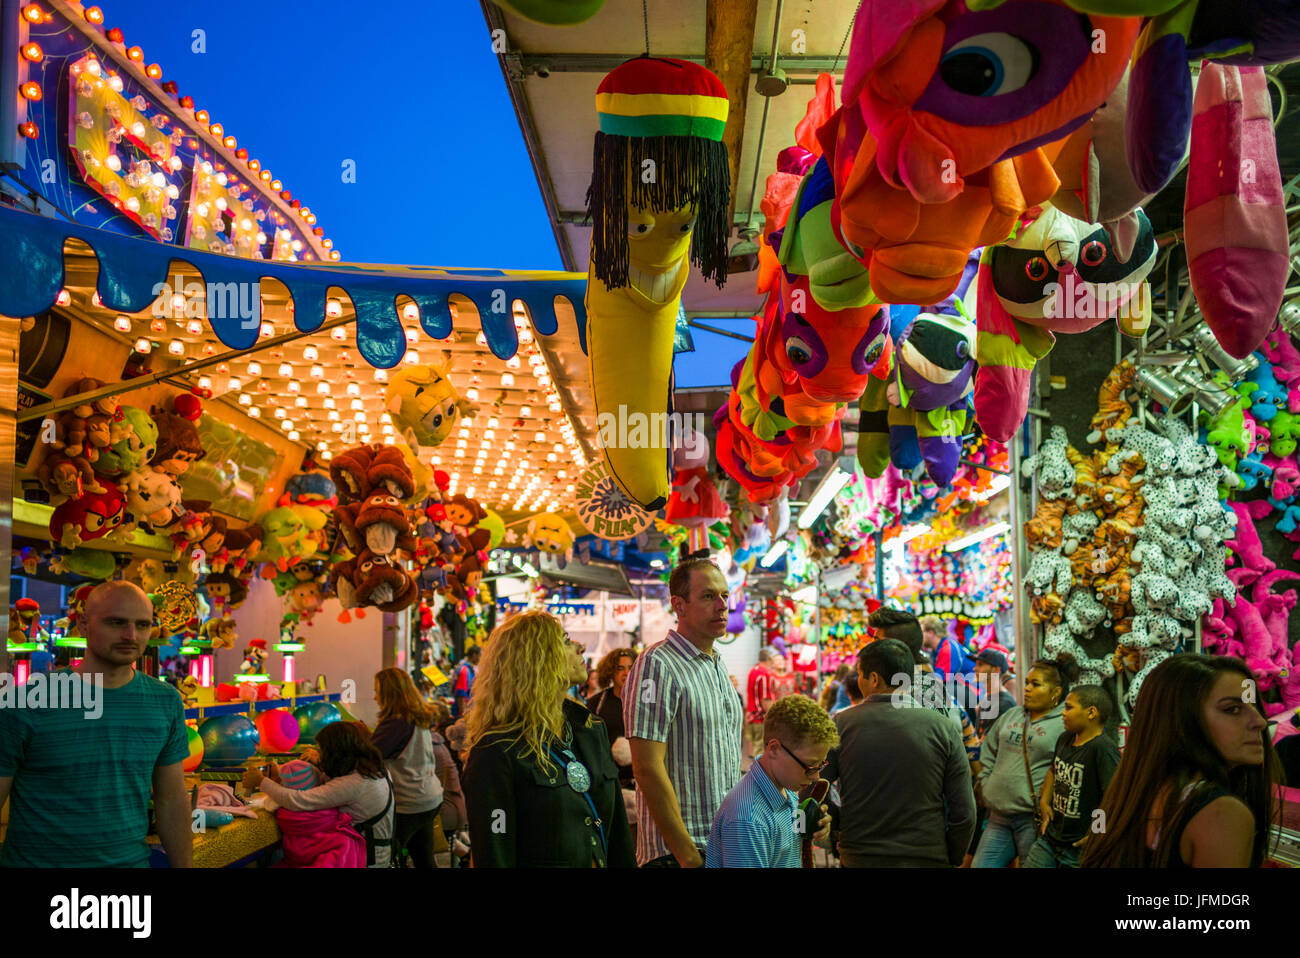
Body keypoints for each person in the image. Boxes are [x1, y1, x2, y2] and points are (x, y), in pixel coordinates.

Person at [0, 580, 193, 867]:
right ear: (83, 624)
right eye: (116, 622)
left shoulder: (165, 701)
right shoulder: (27, 702)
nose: (131, 635)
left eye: (143, 625)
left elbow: (172, 800)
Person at [462, 611, 635, 867]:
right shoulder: (496, 751)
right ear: (536, 659)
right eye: (565, 641)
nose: (581, 646)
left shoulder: (589, 729)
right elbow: (495, 851)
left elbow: (617, 833)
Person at [1082, 655, 1280, 868]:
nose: (1260, 721)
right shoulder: (1221, 815)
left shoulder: (1132, 795)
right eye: (1232, 709)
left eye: (1254, 706)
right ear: (1182, 721)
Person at [625, 558, 743, 867]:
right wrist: (688, 856)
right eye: (708, 596)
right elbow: (646, 767)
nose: (721, 605)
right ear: (679, 605)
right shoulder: (657, 664)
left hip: (722, 846)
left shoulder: (715, 663)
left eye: (725, 596)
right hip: (677, 855)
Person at [821, 639, 976, 867]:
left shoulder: (842, 724)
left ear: (873, 679)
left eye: (861, 675)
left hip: (861, 855)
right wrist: (952, 854)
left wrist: (836, 822)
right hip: (928, 856)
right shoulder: (943, 727)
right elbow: (964, 811)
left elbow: (814, 784)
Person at [706, 695, 835, 868]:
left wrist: (813, 826)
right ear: (774, 749)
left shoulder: (785, 787)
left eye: (820, 765)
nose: (815, 777)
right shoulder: (748, 821)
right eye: (810, 765)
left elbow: (790, 837)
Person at [245, 721, 395, 867]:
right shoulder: (374, 770)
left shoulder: (355, 783)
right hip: (369, 851)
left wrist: (262, 781)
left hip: (362, 858)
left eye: (323, 750)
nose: (321, 754)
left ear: (337, 752)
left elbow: (299, 800)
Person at [971, 654, 1074, 868]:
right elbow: (988, 751)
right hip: (998, 817)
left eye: (1036, 684)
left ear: (1056, 692)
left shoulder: (1064, 725)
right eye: (1026, 683)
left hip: (1032, 820)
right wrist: (987, 784)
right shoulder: (1012, 716)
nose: (1027, 688)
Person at [1024, 685, 1121, 868]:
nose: (1062, 713)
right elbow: (1053, 770)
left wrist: (1097, 831)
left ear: (1091, 712)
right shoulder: (1065, 738)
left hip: (1077, 847)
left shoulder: (1103, 749)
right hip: (1050, 839)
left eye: (1069, 707)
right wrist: (1044, 802)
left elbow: (1113, 796)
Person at [371, 668, 444, 869]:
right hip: (429, 797)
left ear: (389, 694)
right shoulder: (415, 716)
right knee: (423, 858)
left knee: (387, 858)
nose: (374, 696)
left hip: (408, 802)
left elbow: (369, 755)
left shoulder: (395, 722)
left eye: (377, 691)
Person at [587, 647, 637, 788]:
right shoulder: (596, 703)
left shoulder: (646, 701)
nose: (626, 673)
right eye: (620, 668)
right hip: (607, 780)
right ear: (610, 672)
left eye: (630, 667)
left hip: (639, 781)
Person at [972, 648, 1017, 735]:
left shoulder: (1004, 704)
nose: (975, 669)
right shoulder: (988, 697)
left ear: (996, 670)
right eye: (976, 664)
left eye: (980, 665)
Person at [744, 647, 778, 761]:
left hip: (750, 715)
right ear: (769, 659)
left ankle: (752, 772)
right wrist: (772, 715)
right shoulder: (764, 673)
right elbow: (765, 698)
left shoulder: (753, 670)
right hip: (759, 717)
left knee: (754, 747)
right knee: (760, 750)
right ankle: (757, 776)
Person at [450, 645, 481, 720]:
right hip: (462, 714)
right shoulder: (464, 670)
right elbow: (461, 695)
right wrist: (464, 716)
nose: (481, 658)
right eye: (480, 655)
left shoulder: (469, 669)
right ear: (474, 655)